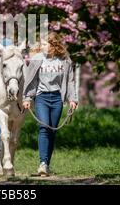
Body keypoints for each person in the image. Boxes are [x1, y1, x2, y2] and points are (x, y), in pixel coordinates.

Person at [22, 32, 78, 176]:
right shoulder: (37, 59)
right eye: (41, 44)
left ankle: (46, 164)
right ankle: (42, 163)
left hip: (57, 99)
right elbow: (31, 80)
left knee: (52, 131)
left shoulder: (65, 60)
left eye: (45, 44)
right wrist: (27, 98)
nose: (42, 47)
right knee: (44, 127)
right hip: (42, 97)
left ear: (53, 45)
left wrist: (73, 99)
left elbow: (70, 81)